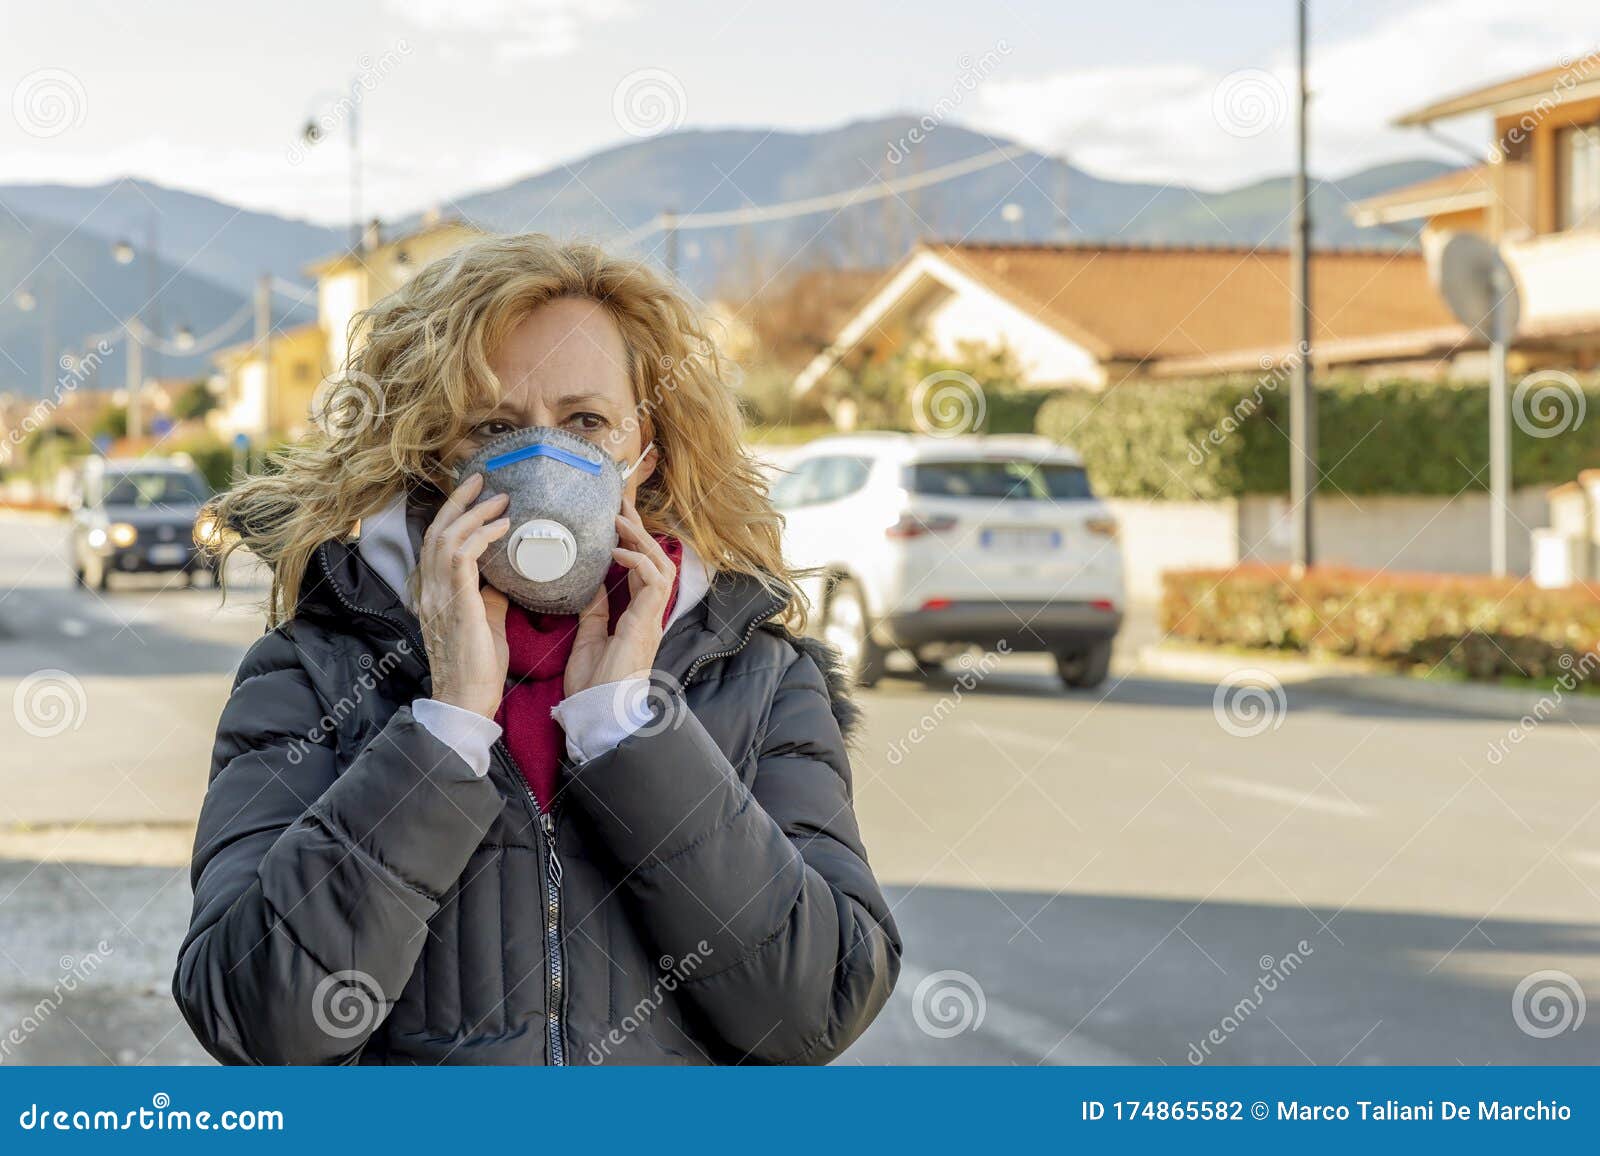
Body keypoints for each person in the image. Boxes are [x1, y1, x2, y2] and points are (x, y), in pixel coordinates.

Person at [173, 234, 901, 1065]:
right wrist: (443, 730)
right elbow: (254, 1020)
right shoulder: (310, 673)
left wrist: (632, 732)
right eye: (493, 426)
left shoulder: (762, 677)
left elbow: (814, 1011)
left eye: (586, 420)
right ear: (431, 462)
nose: (546, 456)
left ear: (646, 452)